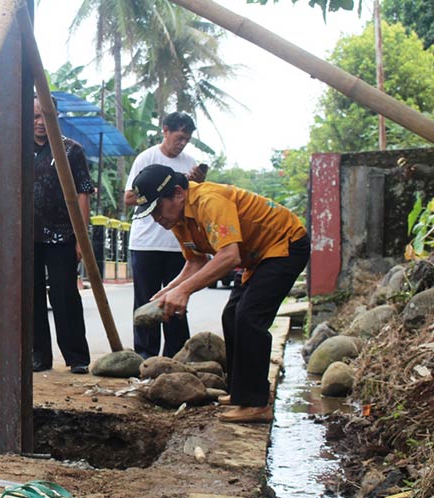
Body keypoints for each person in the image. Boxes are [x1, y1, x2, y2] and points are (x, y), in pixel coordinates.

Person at [131, 164, 309, 424]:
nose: (157, 218)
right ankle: (241, 393)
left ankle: (257, 403)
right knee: (231, 315)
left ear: (178, 193)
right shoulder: (178, 220)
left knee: (249, 317)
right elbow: (195, 261)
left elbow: (229, 256)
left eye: (158, 209)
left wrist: (185, 290)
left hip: (285, 244)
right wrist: (170, 289)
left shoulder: (209, 201)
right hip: (256, 256)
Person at [124, 112, 207, 359]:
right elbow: (129, 197)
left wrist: (197, 183)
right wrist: (156, 194)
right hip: (147, 242)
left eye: (186, 139)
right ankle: (145, 356)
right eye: (179, 137)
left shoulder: (190, 161)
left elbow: (197, 201)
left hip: (179, 245)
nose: (181, 143)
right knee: (146, 300)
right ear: (166, 131)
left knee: (177, 301)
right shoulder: (147, 158)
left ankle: (177, 355)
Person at [32, 96, 94, 374]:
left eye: (44, 115)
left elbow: (83, 193)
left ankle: (76, 356)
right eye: (33, 116)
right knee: (30, 296)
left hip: (62, 235)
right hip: (27, 236)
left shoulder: (71, 150)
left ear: (55, 115)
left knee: (64, 295)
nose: (39, 122)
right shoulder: (18, 148)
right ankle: (38, 356)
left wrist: (81, 237)